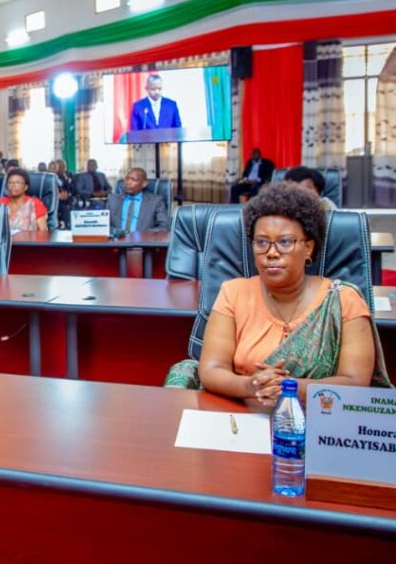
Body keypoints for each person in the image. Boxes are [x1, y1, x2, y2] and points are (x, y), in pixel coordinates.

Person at [165, 183, 390, 400]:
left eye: (285, 242)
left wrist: (289, 388)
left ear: (308, 248)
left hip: (320, 415)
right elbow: (212, 369)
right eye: (262, 242)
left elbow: (355, 381)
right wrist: (251, 386)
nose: (272, 253)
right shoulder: (233, 293)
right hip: (243, 411)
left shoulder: (344, 300)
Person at [106, 168, 169, 233]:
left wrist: (140, 235)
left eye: (133, 180)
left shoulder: (155, 201)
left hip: (143, 238)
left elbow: (164, 227)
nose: (128, 182)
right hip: (116, 238)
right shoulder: (112, 200)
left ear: (144, 184)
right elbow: (104, 225)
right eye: (127, 179)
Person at [0, 167, 49, 232]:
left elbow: (43, 232)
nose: (13, 185)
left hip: (30, 238)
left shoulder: (35, 204)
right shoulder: (1, 203)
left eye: (17, 182)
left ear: (25, 187)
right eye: (10, 182)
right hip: (6, 239)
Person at [52, 159, 74, 229]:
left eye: (64, 167)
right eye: (61, 167)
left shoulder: (69, 175)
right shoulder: (51, 176)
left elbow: (74, 188)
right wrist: (58, 195)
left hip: (69, 199)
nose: (63, 169)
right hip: (56, 200)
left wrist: (68, 194)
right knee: (63, 208)